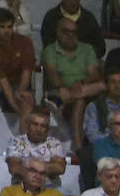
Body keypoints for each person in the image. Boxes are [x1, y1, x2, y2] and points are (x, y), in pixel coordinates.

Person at [42, 17, 104, 150]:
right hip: (60, 91)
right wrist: (64, 88)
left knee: (102, 85)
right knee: (81, 100)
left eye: (74, 32)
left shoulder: (87, 49)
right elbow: (53, 75)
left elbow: (94, 75)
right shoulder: (50, 50)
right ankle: (78, 147)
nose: (70, 35)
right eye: (66, 31)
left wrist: (80, 84)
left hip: (85, 89)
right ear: (58, 32)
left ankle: (81, 147)